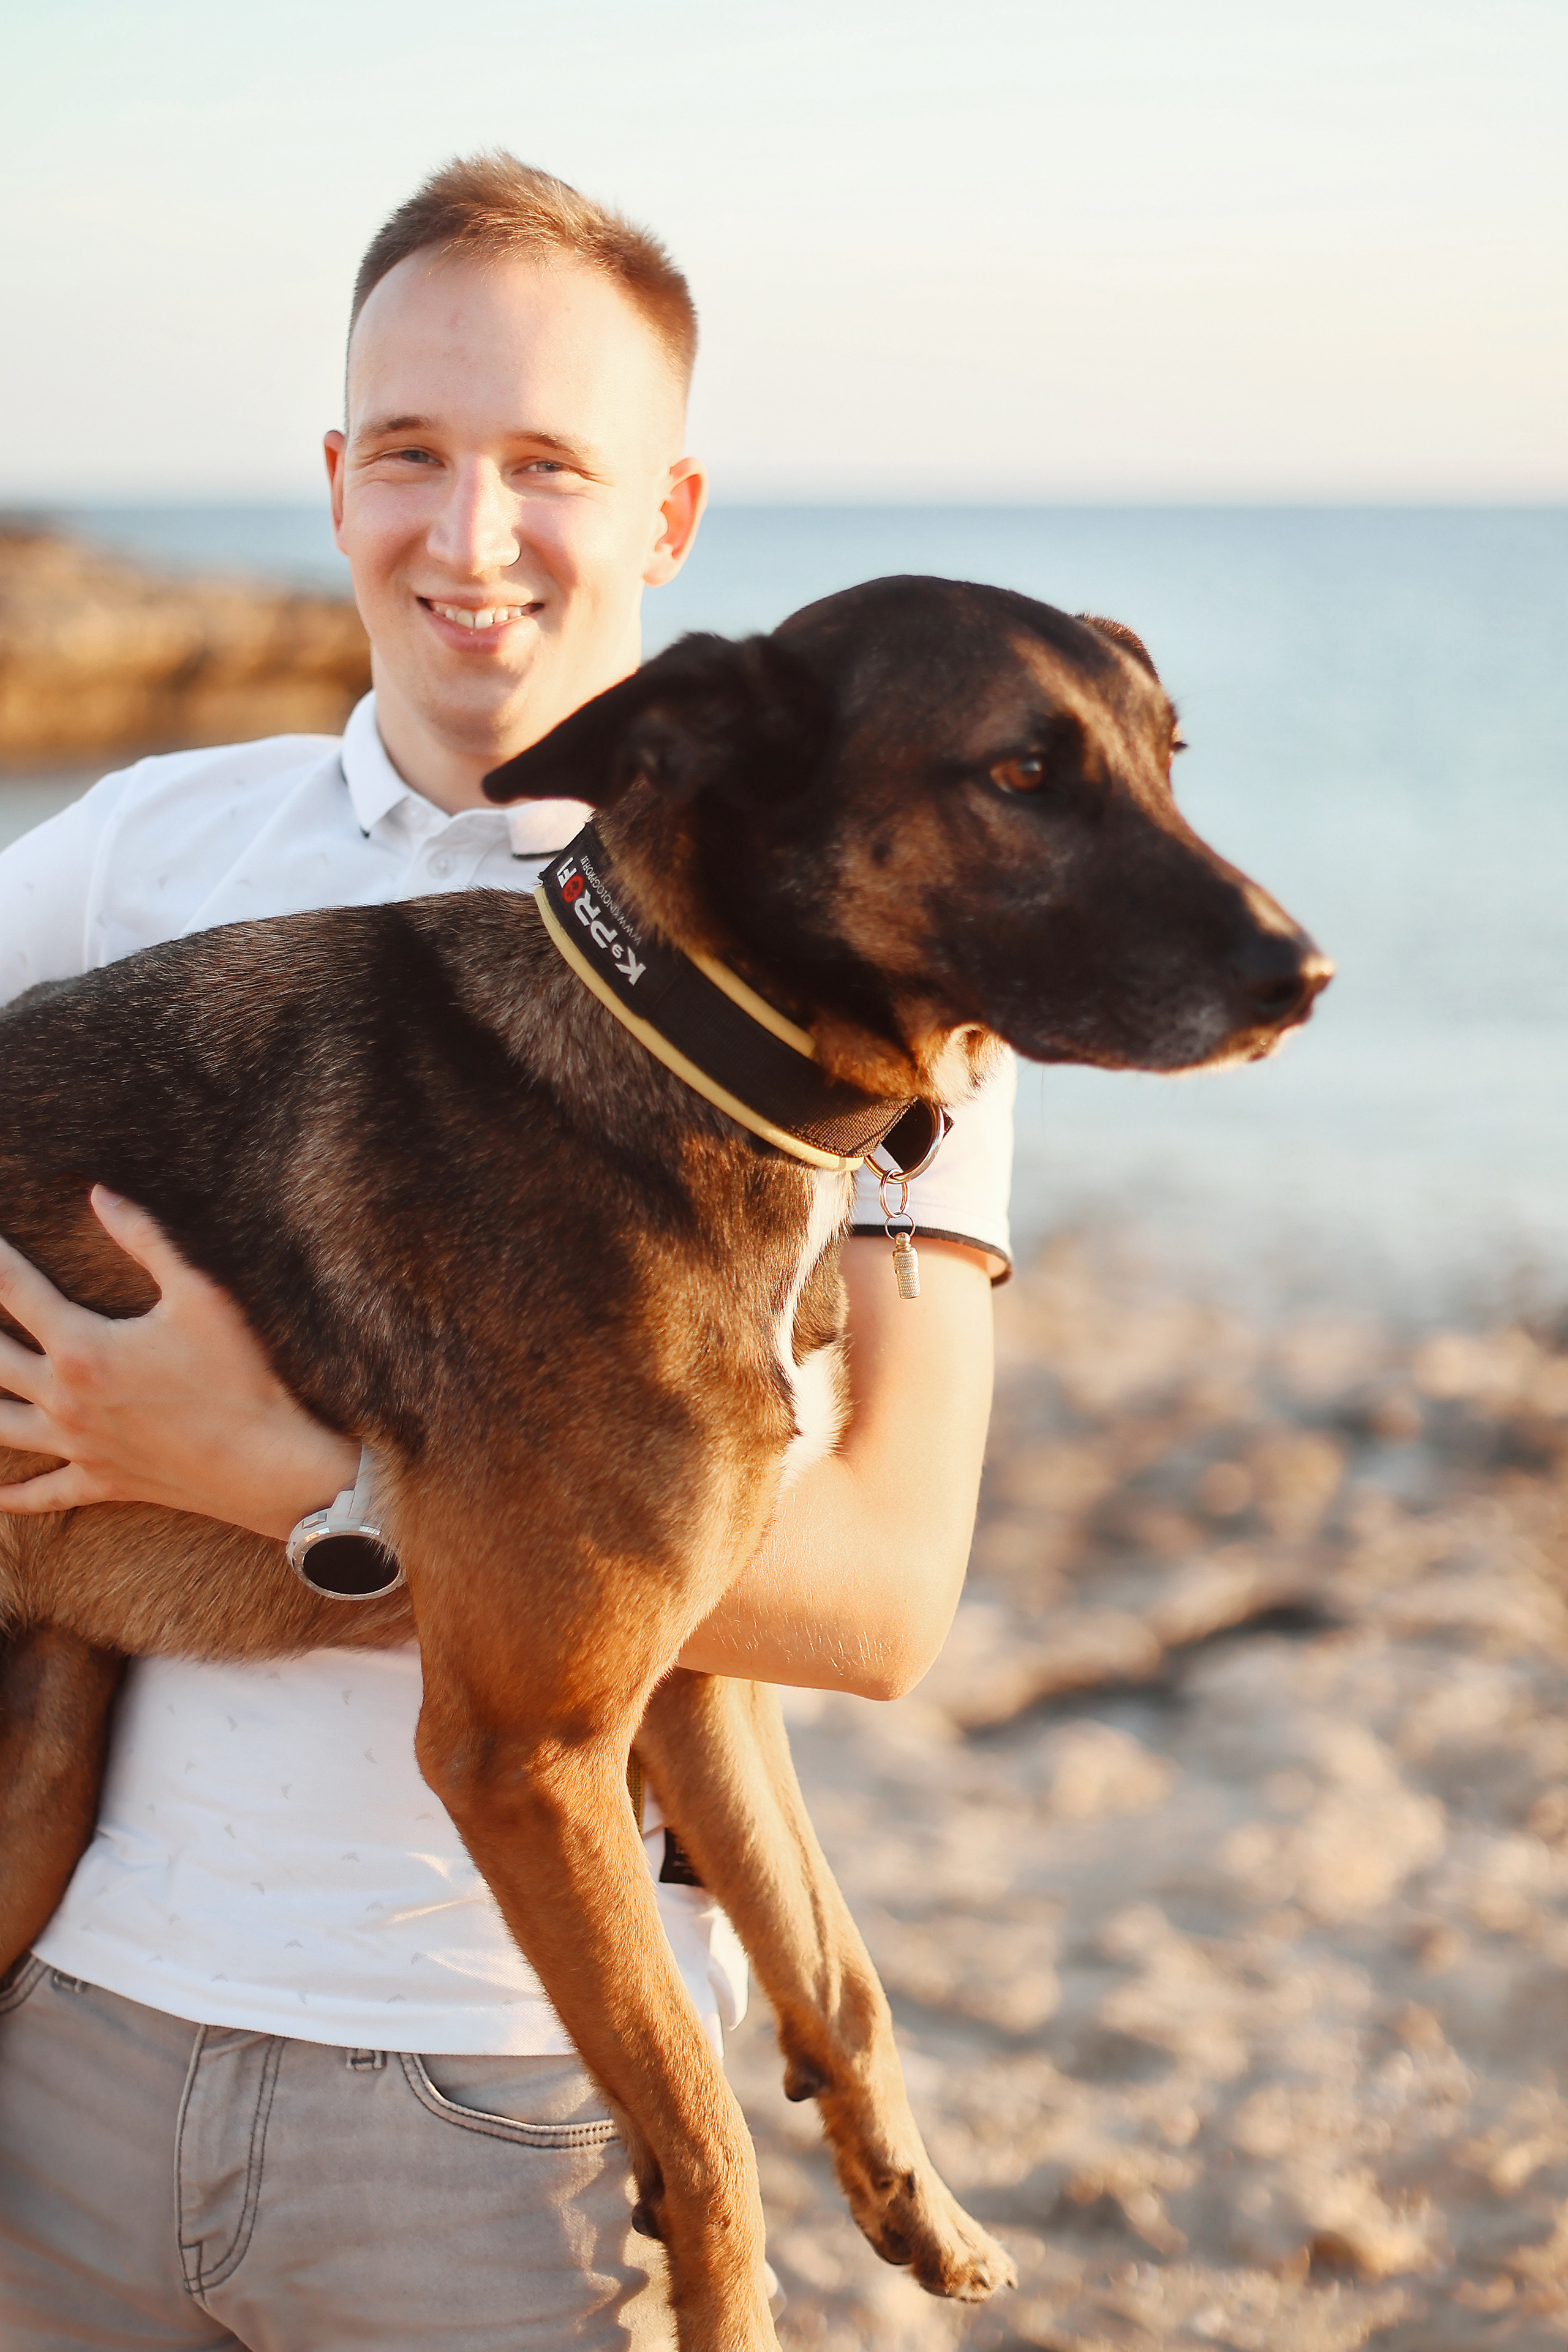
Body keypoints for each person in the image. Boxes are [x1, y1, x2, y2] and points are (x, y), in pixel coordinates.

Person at [0, 155, 1014, 2349]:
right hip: (70, 2046)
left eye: (550, 464)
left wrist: (297, 1482)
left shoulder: (867, 994)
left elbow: (881, 1604)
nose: (470, 536)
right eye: (410, 454)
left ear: (669, 515)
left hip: (497, 2116)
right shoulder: (140, 855)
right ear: (334, 482)